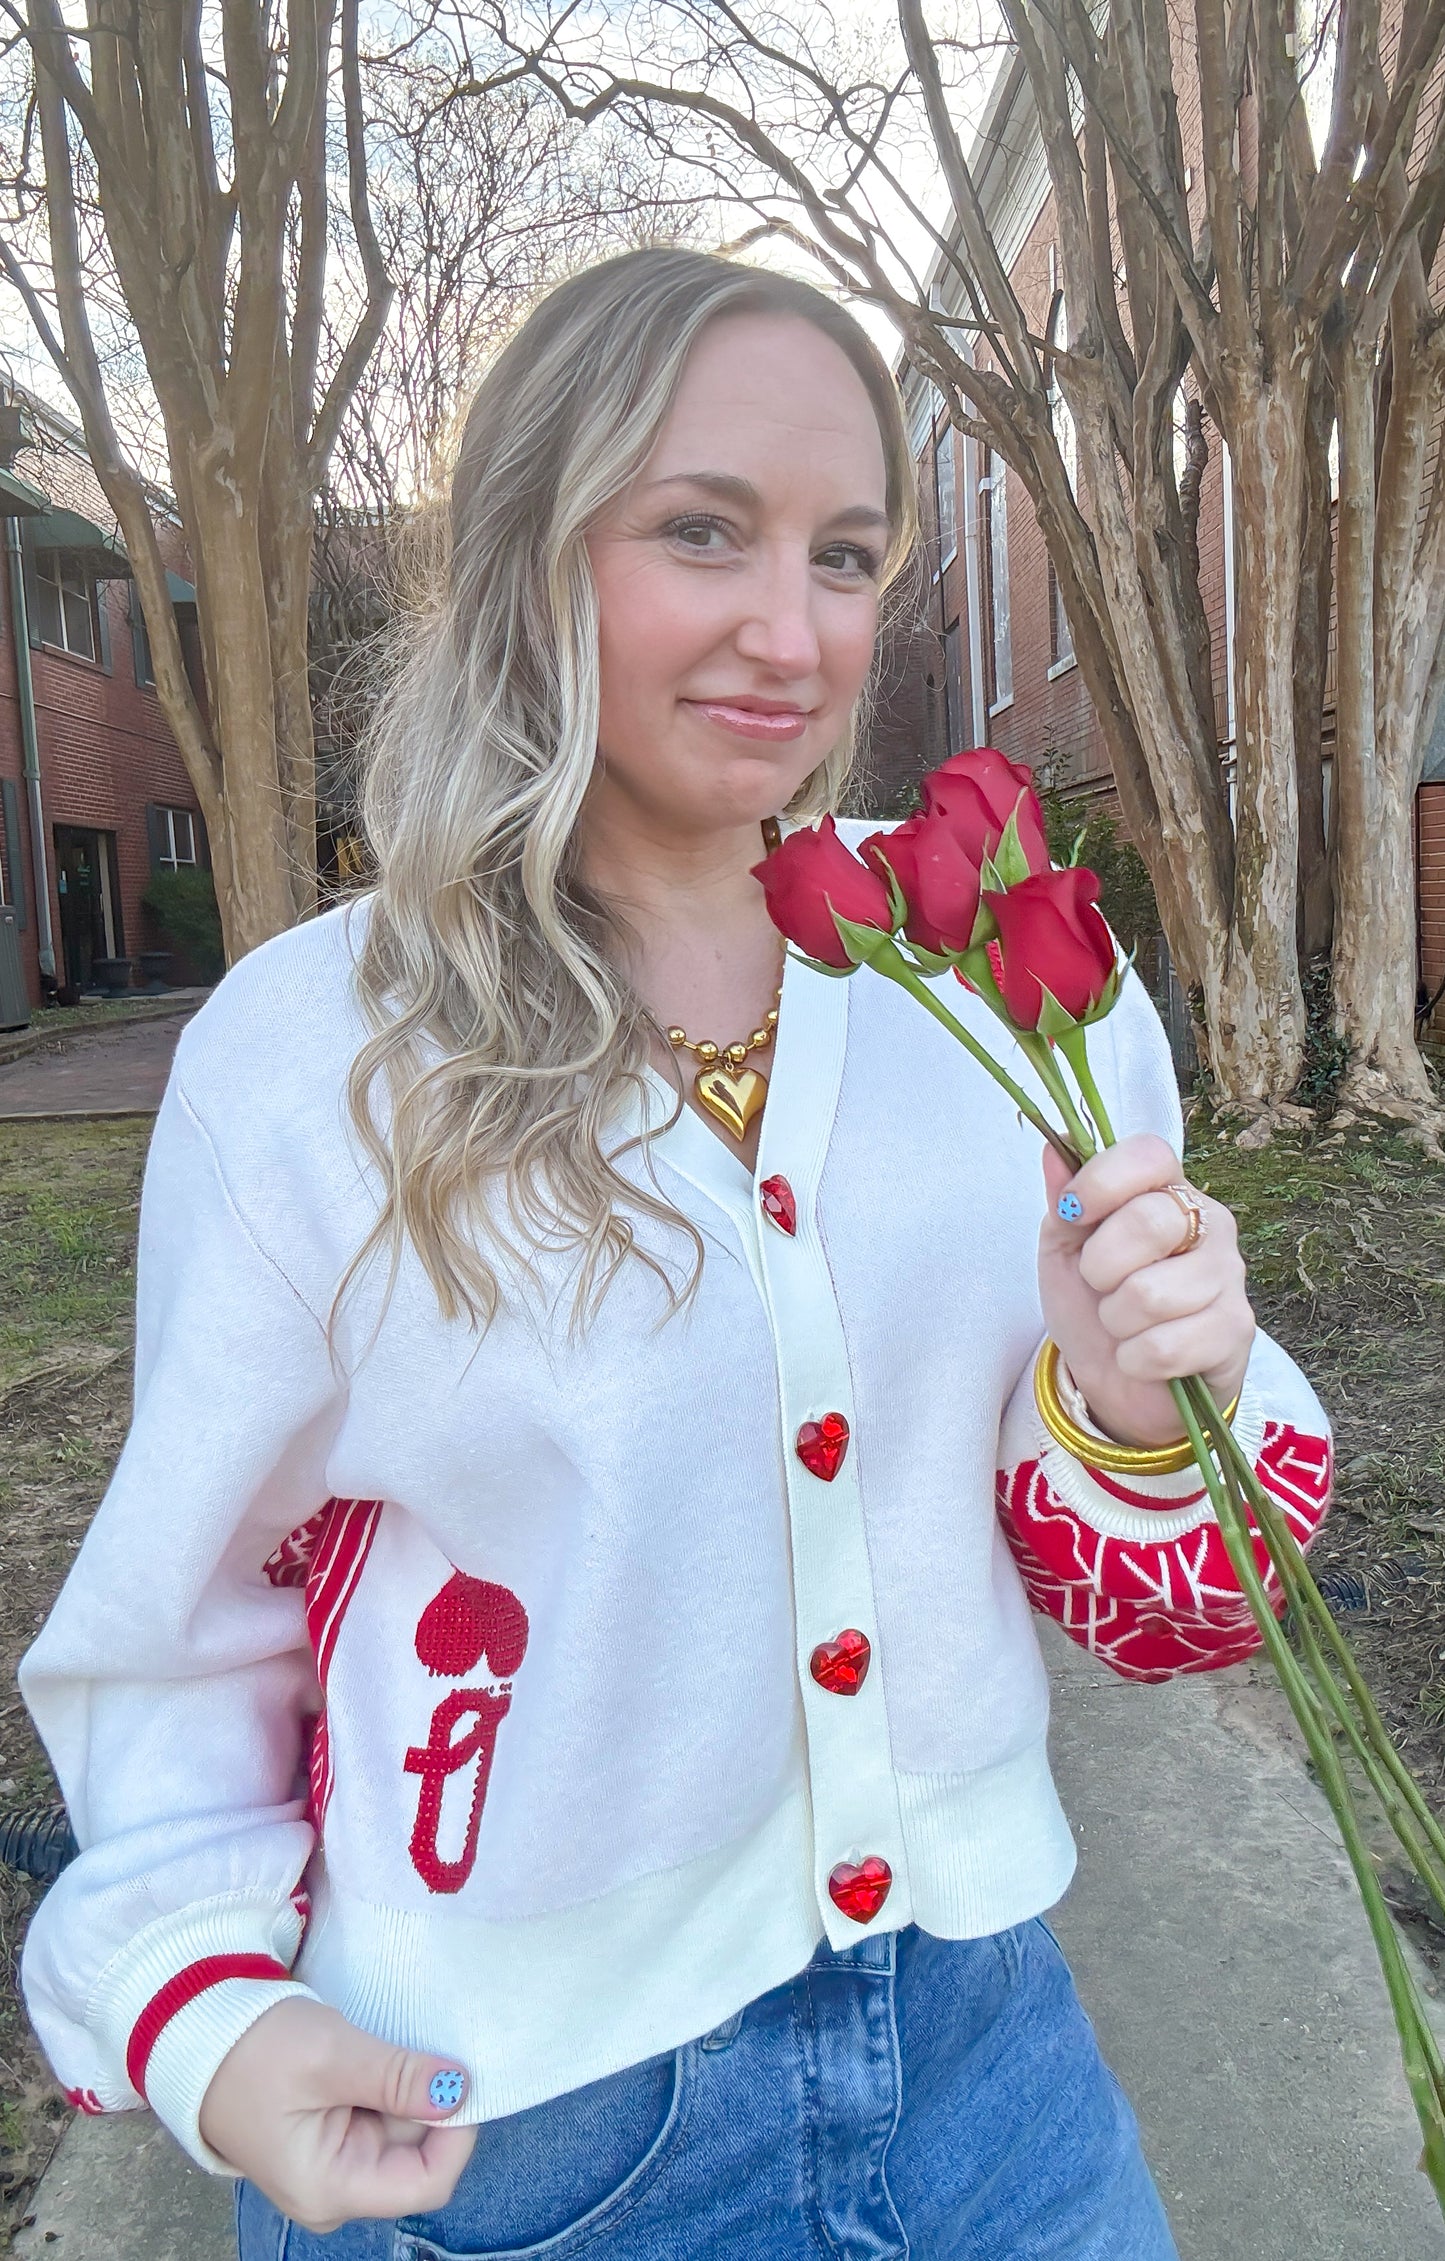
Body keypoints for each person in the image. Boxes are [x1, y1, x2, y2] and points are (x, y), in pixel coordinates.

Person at [18, 248, 1332, 2260]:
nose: (788, 629)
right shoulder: (316, 1063)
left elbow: (1177, 1612)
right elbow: (189, 1613)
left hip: (991, 2069)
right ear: (538, 539)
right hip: (522, 2150)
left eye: (848, 551)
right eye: (703, 532)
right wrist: (209, 2011)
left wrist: (1145, 1395)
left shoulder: (998, 980)